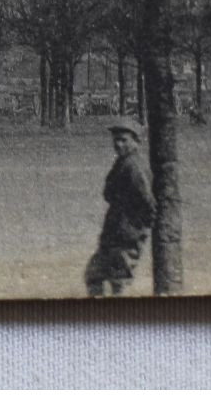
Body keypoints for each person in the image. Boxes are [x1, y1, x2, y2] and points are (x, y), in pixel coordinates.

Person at [84, 120, 156, 297]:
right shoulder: (123, 162)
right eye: (116, 140)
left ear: (136, 141)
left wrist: (138, 228)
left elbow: (147, 200)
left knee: (118, 280)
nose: (118, 144)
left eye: (123, 140)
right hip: (114, 229)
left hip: (127, 232)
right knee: (94, 275)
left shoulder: (134, 166)